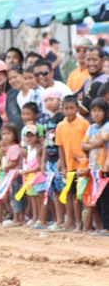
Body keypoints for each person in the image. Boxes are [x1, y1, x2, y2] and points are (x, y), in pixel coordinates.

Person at [55, 95, 89, 232]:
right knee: (70, 194)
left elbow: (87, 143)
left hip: (82, 165)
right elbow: (60, 147)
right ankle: (71, 220)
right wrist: (63, 166)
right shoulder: (60, 126)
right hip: (69, 166)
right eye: (66, 108)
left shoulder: (84, 124)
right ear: (62, 109)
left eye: (72, 108)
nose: (69, 111)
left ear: (77, 108)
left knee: (80, 195)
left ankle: (81, 223)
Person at [39, 88, 66, 232]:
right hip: (49, 159)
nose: (49, 103)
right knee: (54, 191)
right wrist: (43, 161)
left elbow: (62, 141)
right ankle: (59, 220)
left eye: (52, 99)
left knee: (63, 190)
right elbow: (44, 141)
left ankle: (68, 219)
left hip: (58, 158)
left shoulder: (62, 118)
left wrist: (62, 159)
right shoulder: (48, 121)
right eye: (46, 100)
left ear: (59, 100)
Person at [81, 98, 108, 232]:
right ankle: (100, 226)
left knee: (105, 198)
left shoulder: (107, 126)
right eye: (93, 111)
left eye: (99, 111)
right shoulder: (91, 127)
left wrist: (91, 144)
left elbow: (101, 141)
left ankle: (106, 227)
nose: (96, 114)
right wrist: (93, 144)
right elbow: (82, 145)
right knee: (97, 198)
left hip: (104, 167)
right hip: (94, 167)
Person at [20, 124, 46, 229]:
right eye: (27, 136)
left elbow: (39, 166)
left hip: (39, 177)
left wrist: (28, 171)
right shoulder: (29, 149)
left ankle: (42, 218)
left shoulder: (38, 149)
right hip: (32, 177)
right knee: (34, 198)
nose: (29, 138)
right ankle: (37, 217)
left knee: (41, 198)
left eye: (32, 136)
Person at [0, 124, 24, 228]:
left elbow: (14, 162)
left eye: (8, 134)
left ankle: (17, 218)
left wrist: (5, 167)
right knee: (12, 196)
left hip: (15, 175)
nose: (6, 136)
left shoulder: (15, 147)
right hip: (11, 176)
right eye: (3, 134)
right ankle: (16, 216)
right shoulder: (9, 148)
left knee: (16, 196)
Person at [80, 47, 108, 112]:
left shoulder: (102, 82)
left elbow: (83, 110)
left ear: (103, 61)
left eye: (95, 60)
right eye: (88, 60)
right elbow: (73, 97)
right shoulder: (88, 80)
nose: (91, 63)